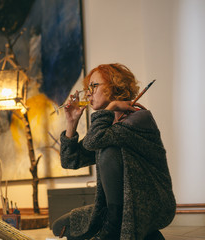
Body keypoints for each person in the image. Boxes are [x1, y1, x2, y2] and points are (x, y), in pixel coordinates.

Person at [52, 63, 176, 240]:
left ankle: (113, 229)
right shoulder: (108, 129)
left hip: (150, 203)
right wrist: (71, 123)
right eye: (87, 88)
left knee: (108, 151)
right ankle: (146, 235)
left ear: (114, 86)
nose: (88, 93)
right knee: (61, 227)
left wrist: (110, 108)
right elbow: (71, 161)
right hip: (120, 206)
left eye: (93, 86)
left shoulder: (139, 118)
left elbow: (95, 140)